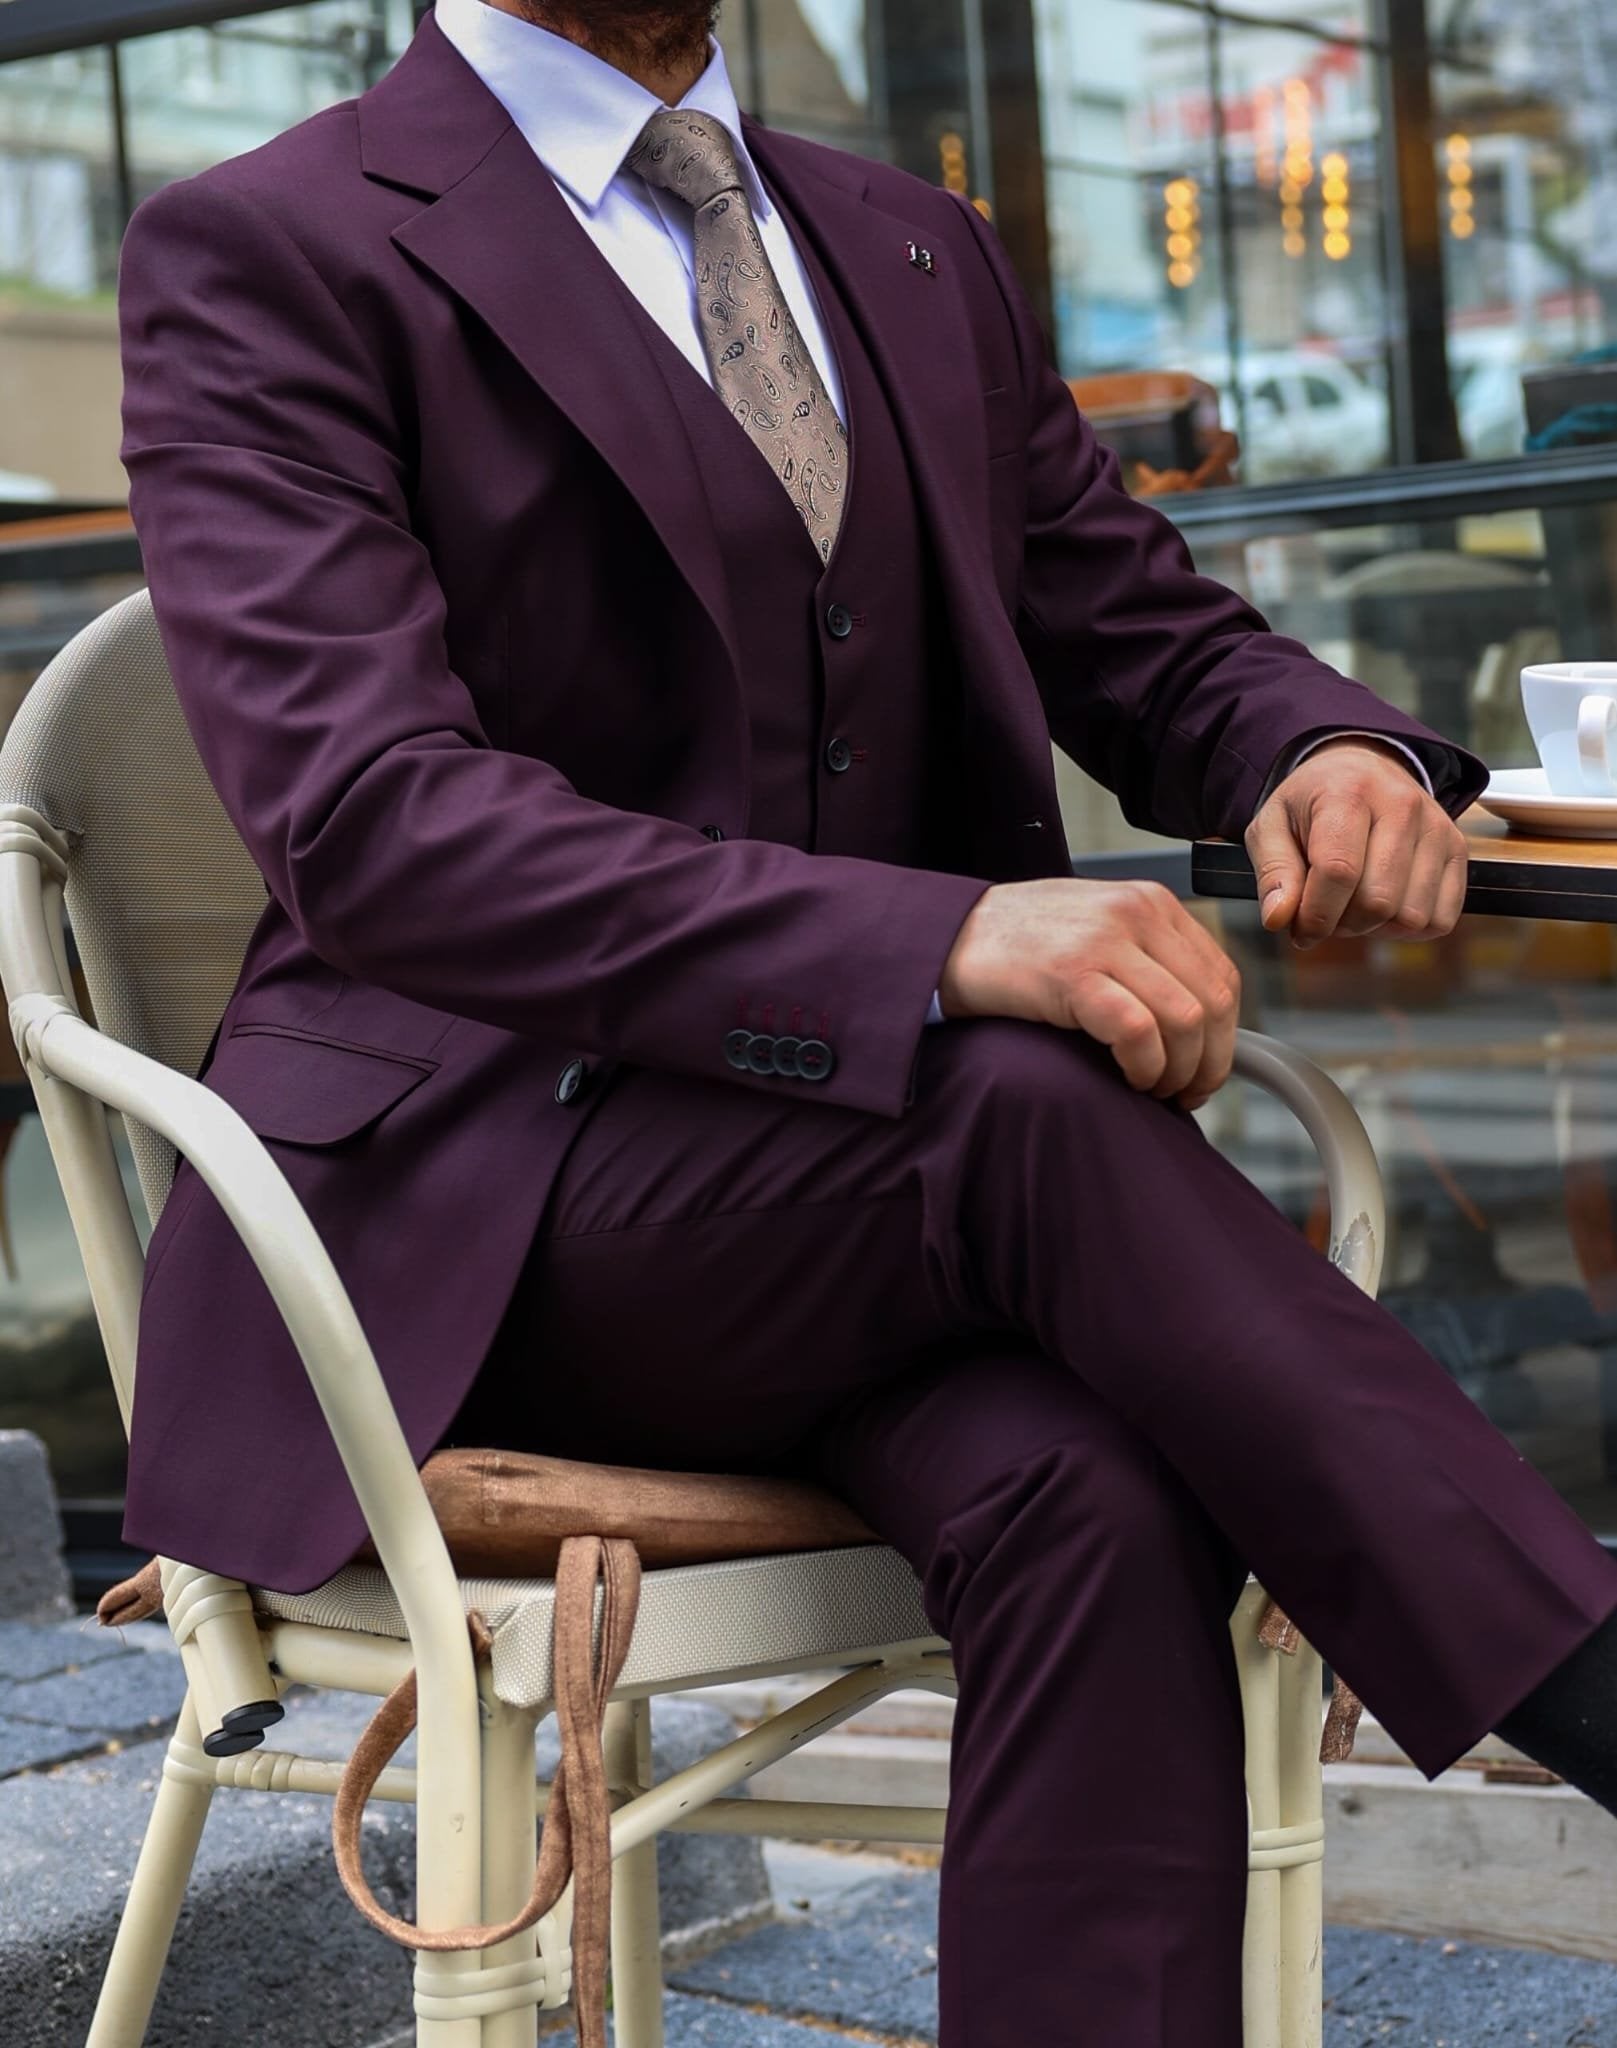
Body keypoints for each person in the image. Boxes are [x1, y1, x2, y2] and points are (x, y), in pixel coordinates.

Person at [115, 2, 1617, 2039]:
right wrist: (941, 939)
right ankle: (1586, 1686)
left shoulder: (904, 239)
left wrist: (1317, 745)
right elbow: (373, 825)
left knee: (1092, 1493)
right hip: (475, 1221)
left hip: (865, 1228)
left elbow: (1131, 622)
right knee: (1013, 1093)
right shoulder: (271, 246)